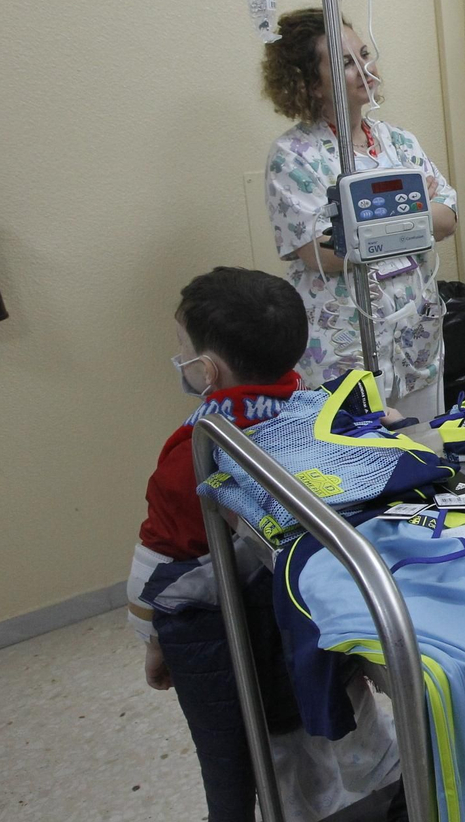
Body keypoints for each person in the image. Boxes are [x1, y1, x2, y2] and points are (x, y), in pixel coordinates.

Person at [128, 267, 401, 822]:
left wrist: (155, 641)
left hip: (253, 651)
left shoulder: (194, 455)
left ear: (207, 368)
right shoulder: (318, 416)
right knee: (353, 736)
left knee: (289, 768)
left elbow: (164, 570)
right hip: (327, 627)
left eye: (184, 349)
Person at [263, 9, 456, 420]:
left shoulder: (398, 142)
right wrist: (413, 215)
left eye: (364, 53)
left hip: (415, 339)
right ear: (312, 84)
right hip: (343, 349)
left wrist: (370, 230)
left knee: (427, 457)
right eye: (347, 62)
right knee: (364, 467)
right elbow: (326, 255)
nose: (366, 67)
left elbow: (448, 218)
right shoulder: (295, 157)